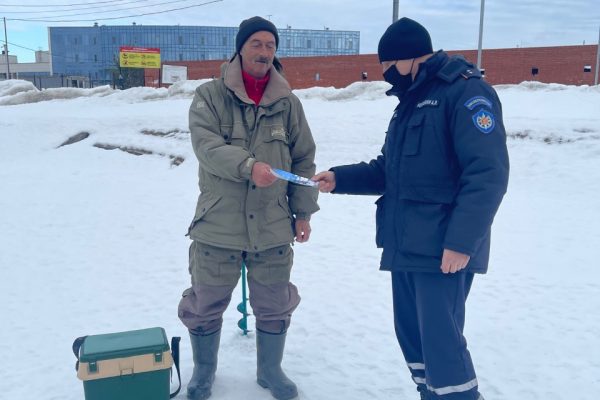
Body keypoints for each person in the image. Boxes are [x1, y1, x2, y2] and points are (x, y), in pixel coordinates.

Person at [313, 17, 509, 400]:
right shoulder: (412, 101)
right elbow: (391, 171)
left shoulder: (466, 94)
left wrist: (461, 243)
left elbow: (488, 175)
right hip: (406, 245)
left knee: (442, 349)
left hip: (443, 250)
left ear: (411, 58)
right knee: (415, 344)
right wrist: (340, 179)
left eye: (389, 66)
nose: (386, 75)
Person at [178, 16, 319, 400]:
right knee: (205, 303)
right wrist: (247, 167)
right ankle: (203, 373)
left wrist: (303, 213)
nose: (264, 52)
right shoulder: (209, 96)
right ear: (240, 48)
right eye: (256, 44)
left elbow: (304, 159)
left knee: (275, 303)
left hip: (273, 224)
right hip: (218, 223)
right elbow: (206, 146)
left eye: (270, 46)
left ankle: (270, 371)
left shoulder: (289, 104)